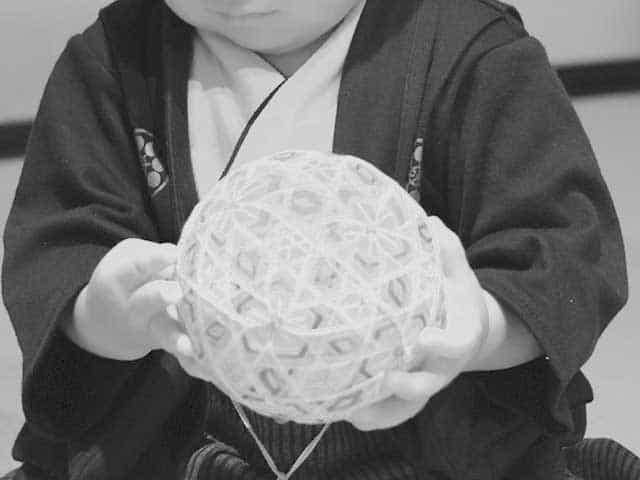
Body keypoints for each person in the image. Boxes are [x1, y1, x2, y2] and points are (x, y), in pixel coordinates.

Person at [1, 0, 628, 479]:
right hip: (188, 447)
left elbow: (563, 250)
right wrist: (103, 316)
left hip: (427, 449)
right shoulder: (113, 61)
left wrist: (479, 328)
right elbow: (57, 247)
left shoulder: (473, 52)